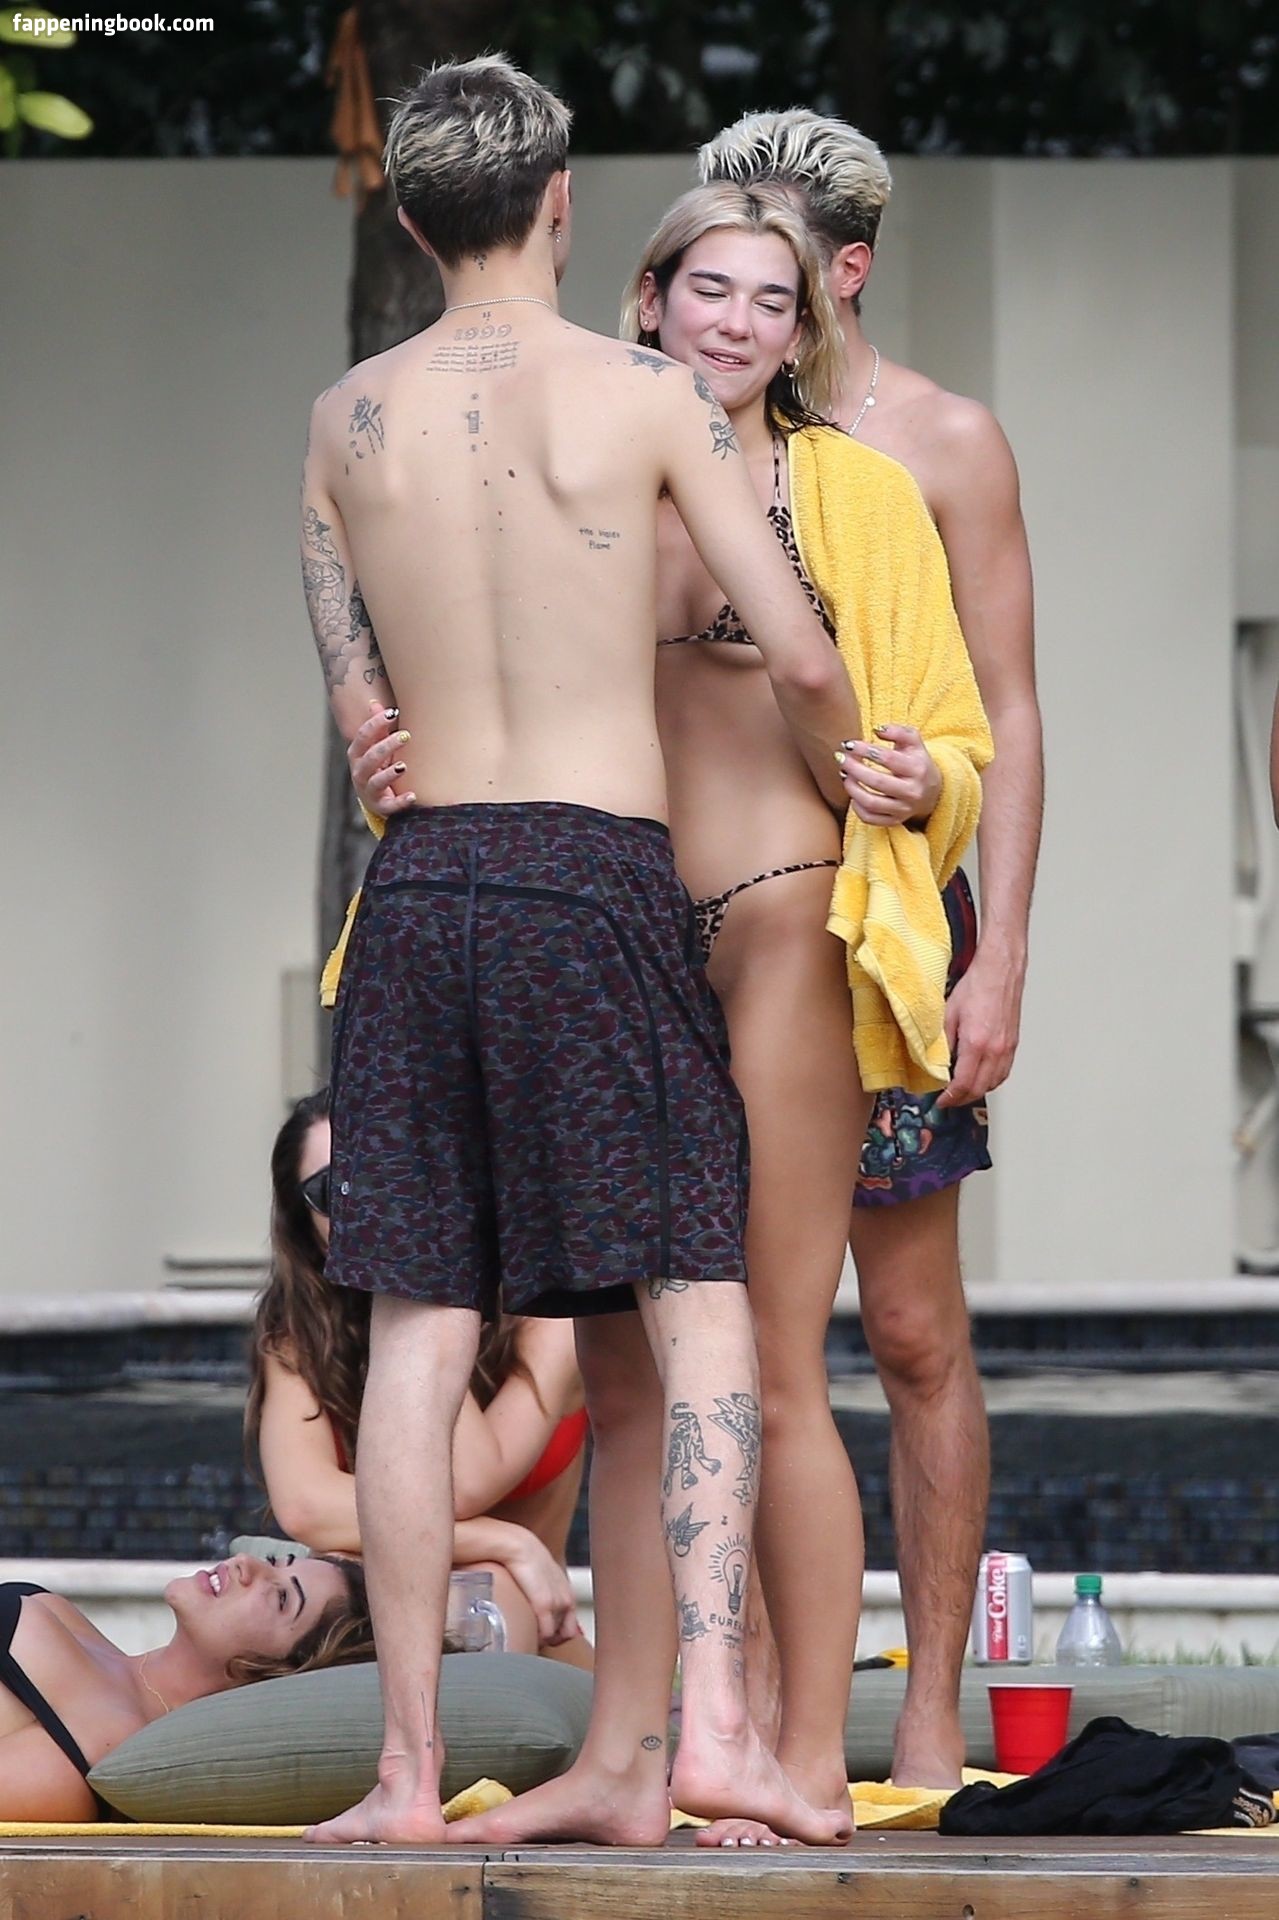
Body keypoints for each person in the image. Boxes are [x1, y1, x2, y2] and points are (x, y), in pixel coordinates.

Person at [348, 182, 990, 1849]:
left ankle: (798, 1751)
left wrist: (914, 780)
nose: (735, 323)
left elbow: (948, 729)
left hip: (775, 917)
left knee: (768, 1359)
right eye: (709, 288)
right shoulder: (587, 451)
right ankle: (628, 1757)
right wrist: (378, 748)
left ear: (806, 328)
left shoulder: (848, 491)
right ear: (646, 295)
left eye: (771, 302)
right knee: (624, 1383)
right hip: (608, 929)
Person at [698, 109, 1043, 1786]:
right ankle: (768, 1709)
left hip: (894, 917)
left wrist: (1001, 954)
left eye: (772, 267)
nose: (738, 298)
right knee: (742, 1339)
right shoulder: (678, 429)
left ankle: (925, 1708)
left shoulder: (940, 443)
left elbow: (1009, 709)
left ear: (842, 268)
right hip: (724, 917)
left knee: (906, 1329)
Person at [247, 1088, 591, 1665]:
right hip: (372, 1632)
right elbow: (305, 1505)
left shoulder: (548, 1311)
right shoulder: (300, 1332)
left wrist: (414, 1281)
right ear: (305, 1225)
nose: (372, 1205)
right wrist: (505, 1539)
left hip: (526, 1633)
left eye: (391, 1175)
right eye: (335, 1189)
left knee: (480, 1597)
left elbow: (464, 1481)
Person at [0, 1554, 371, 1821]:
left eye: (282, 1598)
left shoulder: (80, 1761)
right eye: (275, 1561)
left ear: (282, 1670)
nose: (247, 1563)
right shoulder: (72, 1623)